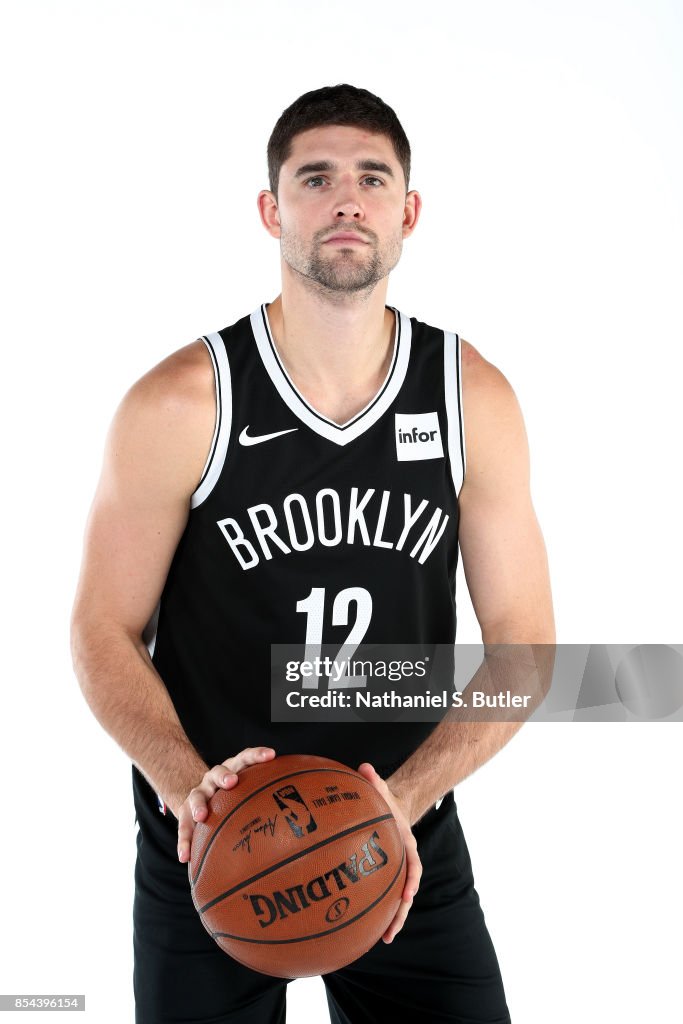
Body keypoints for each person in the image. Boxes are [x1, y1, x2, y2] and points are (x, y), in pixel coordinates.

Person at [71, 83, 554, 1023]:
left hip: (401, 834)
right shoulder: (183, 403)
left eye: (373, 179)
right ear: (271, 209)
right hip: (209, 841)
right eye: (316, 178)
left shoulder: (470, 398)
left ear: (407, 213)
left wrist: (405, 801)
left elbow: (525, 644)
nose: (346, 200)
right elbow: (101, 628)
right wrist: (186, 789)